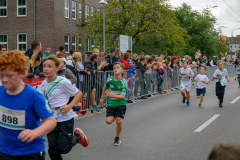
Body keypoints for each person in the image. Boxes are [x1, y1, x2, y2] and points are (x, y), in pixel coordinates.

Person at [0, 50, 56, 160]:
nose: (5, 80)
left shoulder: (33, 96)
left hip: (30, 151)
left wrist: (35, 132)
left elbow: (51, 121)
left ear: (22, 73)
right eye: (2, 75)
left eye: (10, 76)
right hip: (5, 150)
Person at [40, 55, 88, 160]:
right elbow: (42, 102)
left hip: (65, 118)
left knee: (63, 148)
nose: (46, 69)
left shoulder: (63, 81)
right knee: (52, 150)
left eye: (49, 66)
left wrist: (69, 106)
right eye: (44, 66)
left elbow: (78, 93)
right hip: (52, 119)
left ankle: (78, 136)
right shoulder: (43, 84)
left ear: (57, 68)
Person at [100, 62, 127, 145]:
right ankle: (115, 114)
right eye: (114, 67)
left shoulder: (123, 82)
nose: (115, 69)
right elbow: (105, 86)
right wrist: (101, 98)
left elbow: (122, 96)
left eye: (118, 67)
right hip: (111, 104)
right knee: (108, 121)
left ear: (122, 70)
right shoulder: (109, 79)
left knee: (119, 122)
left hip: (121, 104)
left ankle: (117, 137)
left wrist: (113, 95)